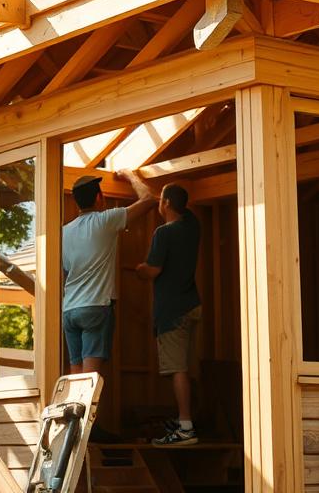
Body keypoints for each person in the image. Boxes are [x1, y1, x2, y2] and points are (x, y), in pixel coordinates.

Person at [62, 170, 155, 375]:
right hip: (96, 306)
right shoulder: (105, 220)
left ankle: (74, 408)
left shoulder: (64, 232)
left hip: (69, 310)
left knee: (76, 376)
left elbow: (66, 270)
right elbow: (149, 200)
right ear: (98, 198)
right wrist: (131, 176)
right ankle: (87, 409)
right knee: (90, 378)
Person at [136, 183, 201, 446]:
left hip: (172, 311)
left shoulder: (163, 233)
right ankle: (185, 419)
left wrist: (140, 269)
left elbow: (152, 270)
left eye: (162, 201)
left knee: (177, 369)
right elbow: (181, 205)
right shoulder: (193, 226)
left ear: (165, 204)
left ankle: (186, 427)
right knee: (186, 368)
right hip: (192, 305)